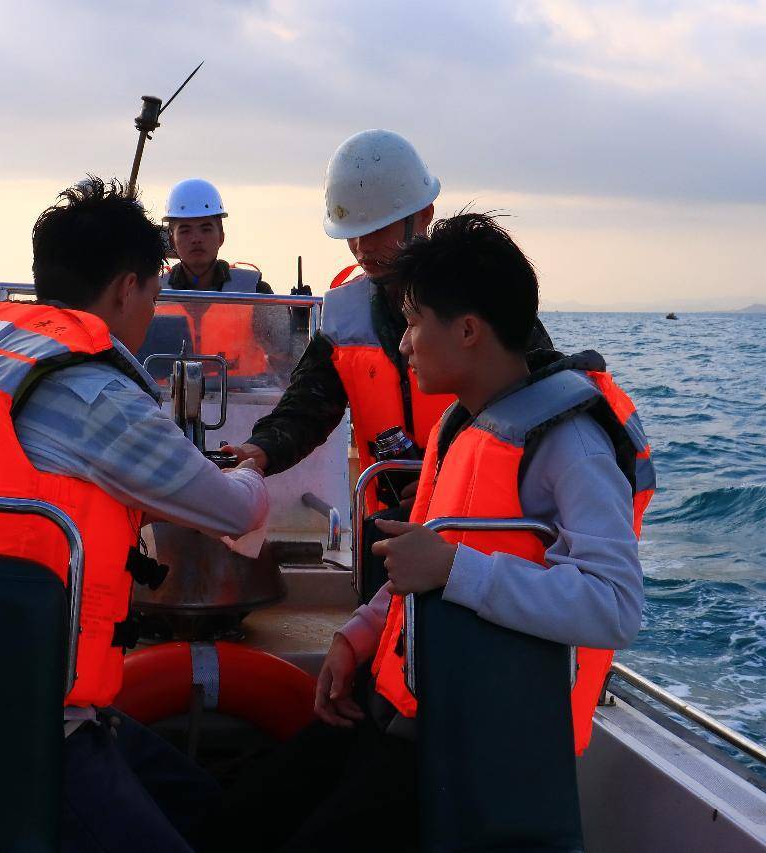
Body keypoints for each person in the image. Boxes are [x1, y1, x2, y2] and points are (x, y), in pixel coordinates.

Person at [198, 212, 652, 852]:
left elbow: (615, 606)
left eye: (412, 323)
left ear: (468, 331)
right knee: (241, 815)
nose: (402, 344)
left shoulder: (569, 445)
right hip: (399, 702)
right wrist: (357, 637)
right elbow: (424, 558)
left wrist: (456, 570)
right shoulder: (460, 428)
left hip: (469, 739)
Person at [0, 176, 270, 852]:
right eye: (154, 294)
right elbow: (233, 513)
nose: (151, 308)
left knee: (206, 805)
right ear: (128, 287)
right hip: (37, 722)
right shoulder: (94, 394)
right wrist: (254, 466)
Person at [225, 130, 553, 509]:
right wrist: (260, 450)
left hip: (480, 525)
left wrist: (447, 478)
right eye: (353, 235)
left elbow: (539, 412)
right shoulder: (345, 316)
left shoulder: (483, 298)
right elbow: (306, 409)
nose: (363, 248)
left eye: (378, 230)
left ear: (424, 216)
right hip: (387, 530)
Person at [144, 178, 283, 378]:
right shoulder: (153, 293)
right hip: (167, 405)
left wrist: (299, 324)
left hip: (245, 405)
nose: (196, 238)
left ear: (221, 236)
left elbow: (286, 356)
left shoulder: (255, 291)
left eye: (206, 228)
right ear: (172, 239)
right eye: (185, 230)